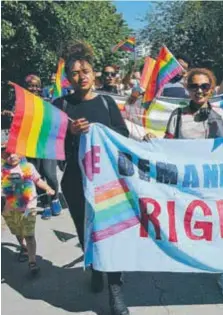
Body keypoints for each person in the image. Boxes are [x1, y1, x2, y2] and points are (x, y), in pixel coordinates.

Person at [53, 41, 130, 315]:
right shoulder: (60, 105)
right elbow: (52, 147)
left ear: (94, 73)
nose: (81, 76)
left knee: (111, 233)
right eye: (75, 72)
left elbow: (123, 136)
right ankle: (95, 268)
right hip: (75, 181)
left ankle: (115, 290)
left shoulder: (107, 102)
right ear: (69, 78)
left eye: (85, 70)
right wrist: (69, 132)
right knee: (85, 230)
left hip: (107, 182)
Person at [164, 68, 223, 297]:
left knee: (219, 230)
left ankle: (222, 272)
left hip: (215, 184)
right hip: (185, 185)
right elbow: (167, 148)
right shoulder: (177, 116)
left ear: (212, 89)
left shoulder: (222, 117)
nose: (199, 91)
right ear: (187, 89)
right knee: (188, 228)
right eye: (194, 86)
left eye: (204, 86)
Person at [2, 141, 55, 275]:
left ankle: (32, 261)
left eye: (14, 151)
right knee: (17, 232)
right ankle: (23, 247)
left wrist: (48, 187)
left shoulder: (28, 167)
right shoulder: (2, 170)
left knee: (29, 235)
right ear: (2, 155)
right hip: (10, 209)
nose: (12, 155)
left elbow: (38, 180)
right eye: (7, 153)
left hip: (29, 207)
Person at [23, 74, 62, 220]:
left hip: (47, 144)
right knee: (37, 176)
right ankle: (45, 205)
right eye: (30, 85)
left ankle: (55, 198)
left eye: (36, 85)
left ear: (40, 87)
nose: (33, 88)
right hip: (30, 145)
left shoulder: (47, 102)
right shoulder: (22, 103)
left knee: (50, 174)